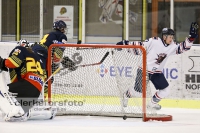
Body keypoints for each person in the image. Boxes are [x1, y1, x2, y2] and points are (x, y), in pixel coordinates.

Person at [116, 22, 199, 110]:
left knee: (165, 91)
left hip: (157, 72)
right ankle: (126, 95)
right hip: (144, 69)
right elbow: (140, 46)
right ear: (164, 37)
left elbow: (183, 48)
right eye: (170, 37)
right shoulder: (154, 41)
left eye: (172, 37)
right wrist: (125, 44)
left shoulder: (172, 46)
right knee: (138, 92)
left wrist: (191, 38)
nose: (171, 39)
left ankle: (151, 105)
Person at [0, 39, 57, 121]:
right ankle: (24, 111)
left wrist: (2, 62)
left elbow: (13, 63)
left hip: (26, 85)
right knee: (22, 107)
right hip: (37, 92)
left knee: (2, 92)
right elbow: (46, 79)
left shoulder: (20, 49)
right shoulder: (38, 58)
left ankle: (14, 111)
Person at [31, 20, 77, 96]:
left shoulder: (49, 34)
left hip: (33, 52)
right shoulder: (62, 36)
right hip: (42, 54)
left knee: (37, 77)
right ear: (61, 28)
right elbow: (57, 58)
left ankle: (29, 98)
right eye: (63, 28)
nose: (64, 30)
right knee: (47, 79)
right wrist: (64, 61)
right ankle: (45, 100)